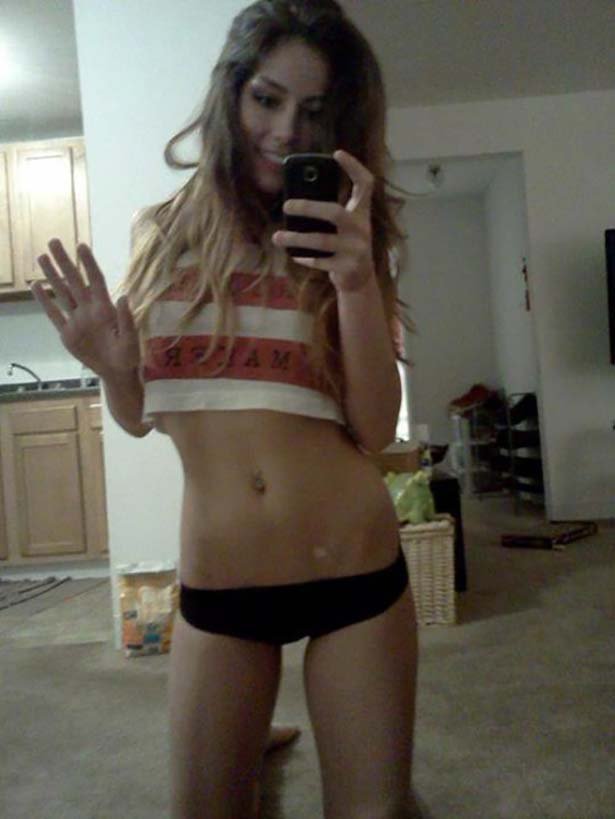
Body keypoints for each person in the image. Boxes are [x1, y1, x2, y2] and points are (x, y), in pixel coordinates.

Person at [32, 1, 418, 816]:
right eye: (266, 99)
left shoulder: (344, 239)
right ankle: (259, 736)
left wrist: (355, 282)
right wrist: (113, 368)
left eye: (312, 110)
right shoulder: (163, 235)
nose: (285, 130)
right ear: (231, 95)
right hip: (221, 586)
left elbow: (376, 428)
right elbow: (142, 415)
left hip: (351, 568)